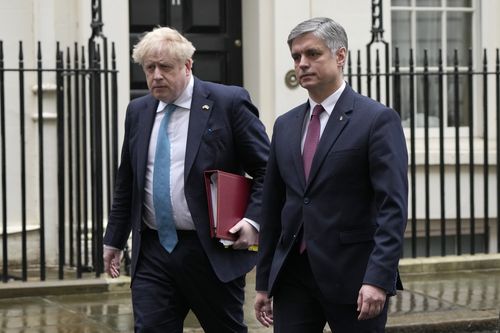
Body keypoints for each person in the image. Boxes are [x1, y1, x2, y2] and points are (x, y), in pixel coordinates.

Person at [103, 26, 270, 333]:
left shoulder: (228, 102)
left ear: (188, 65)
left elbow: (267, 169)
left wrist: (253, 221)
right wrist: (114, 238)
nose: (155, 76)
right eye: (149, 68)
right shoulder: (138, 110)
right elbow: (127, 180)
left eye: (165, 67)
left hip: (209, 250)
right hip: (153, 250)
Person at [254, 17, 408, 332]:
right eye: (297, 57)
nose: (302, 64)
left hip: (354, 279)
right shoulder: (284, 125)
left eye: (313, 54)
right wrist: (264, 281)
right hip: (293, 277)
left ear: (340, 57)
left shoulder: (377, 120)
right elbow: (272, 207)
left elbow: (392, 208)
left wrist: (378, 279)